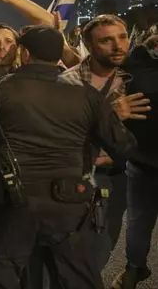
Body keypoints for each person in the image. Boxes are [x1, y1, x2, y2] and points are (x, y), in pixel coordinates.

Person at [0, 26, 138, 289]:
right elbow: (124, 147)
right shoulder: (86, 93)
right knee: (77, 277)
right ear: (58, 55)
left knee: (2, 274)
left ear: (24, 52)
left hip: (14, 200)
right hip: (70, 203)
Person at [61, 15, 148, 272]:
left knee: (103, 250)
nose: (118, 45)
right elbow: (61, 136)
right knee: (72, 253)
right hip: (76, 175)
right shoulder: (67, 83)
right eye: (107, 40)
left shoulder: (132, 81)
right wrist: (108, 116)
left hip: (116, 177)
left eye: (122, 37)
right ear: (88, 44)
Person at [111, 35, 157, 289]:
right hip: (143, 163)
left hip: (141, 161)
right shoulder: (133, 62)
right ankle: (134, 268)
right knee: (138, 223)